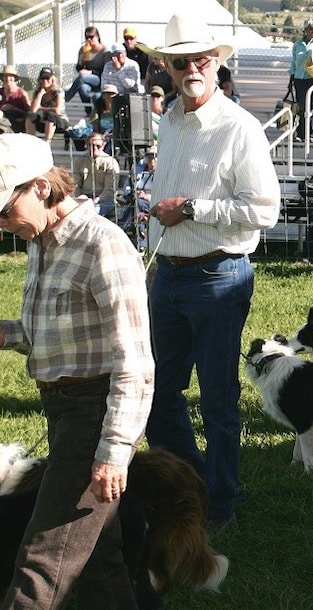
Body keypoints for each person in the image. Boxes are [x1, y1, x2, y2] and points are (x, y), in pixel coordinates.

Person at [137, 14, 281, 533]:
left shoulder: (239, 127)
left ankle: (220, 503)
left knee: (218, 400)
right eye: (181, 61)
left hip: (219, 276)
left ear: (217, 62)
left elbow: (265, 209)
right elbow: (166, 202)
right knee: (154, 391)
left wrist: (193, 209)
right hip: (170, 276)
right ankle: (190, 485)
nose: (192, 68)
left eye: (201, 59)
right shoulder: (171, 119)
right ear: (167, 67)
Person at [0, 132, 154, 608]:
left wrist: (114, 449)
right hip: (64, 412)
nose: (1, 221)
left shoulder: (104, 244)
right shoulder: (40, 241)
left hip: (95, 415)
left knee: (41, 562)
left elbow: (135, 358)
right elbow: (45, 335)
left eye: (6, 209)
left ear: (41, 188)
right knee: (97, 561)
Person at [75, 132, 121, 219]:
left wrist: (96, 200)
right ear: (86, 146)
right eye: (91, 145)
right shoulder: (79, 161)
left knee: (92, 211)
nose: (94, 149)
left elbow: (110, 190)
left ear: (103, 146)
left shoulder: (110, 162)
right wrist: (80, 199)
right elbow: (76, 185)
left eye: (98, 146)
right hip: (84, 198)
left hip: (104, 200)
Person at [64, 25, 107, 103]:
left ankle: (66, 97)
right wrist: (81, 60)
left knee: (82, 77)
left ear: (97, 37)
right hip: (86, 79)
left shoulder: (104, 51)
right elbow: (79, 69)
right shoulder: (84, 49)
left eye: (91, 37)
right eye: (87, 38)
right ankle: (88, 111)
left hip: (100, 78)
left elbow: (106, 70)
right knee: (83, 88)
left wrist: (90, 72)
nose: (89, 39)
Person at [26, 67, 67, 141]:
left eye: (47, 78)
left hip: (59, 121)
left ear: (52, 79)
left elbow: (57, 110)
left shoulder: (58, 92)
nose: (45, 81)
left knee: (50, 116)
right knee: (30, 116)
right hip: (44, 121)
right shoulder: (37, 92)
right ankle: (30, 140)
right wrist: (40, 94)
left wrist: (40, 108)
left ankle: (47, 142)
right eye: (42, 78)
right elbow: (33, 110)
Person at [0, 65, 31, 132]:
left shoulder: (22, 93)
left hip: (16, 124)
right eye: (5, 76)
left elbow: (29, 113)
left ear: (14, 78)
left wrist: (13, 108)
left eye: (10, 76)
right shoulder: (1, 92)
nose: (8, 78)